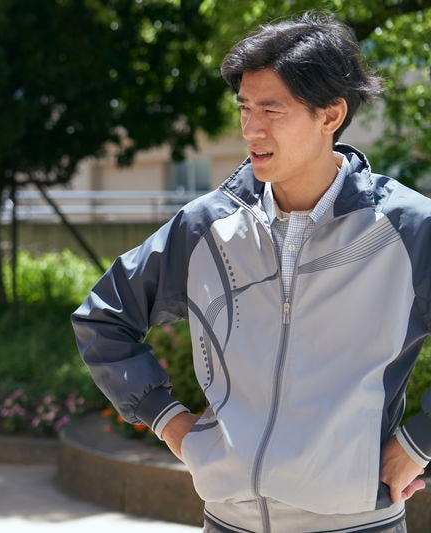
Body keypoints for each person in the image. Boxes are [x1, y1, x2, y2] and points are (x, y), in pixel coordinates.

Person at [72, 12, 429, 533]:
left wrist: (417, 445)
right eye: (244, 107)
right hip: (227, 522)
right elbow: (104, 319)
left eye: (271, 110)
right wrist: (170, 423)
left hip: (356, 524)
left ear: (331, 114)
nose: (251, 129)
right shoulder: (207, 226)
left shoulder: (409, 228)